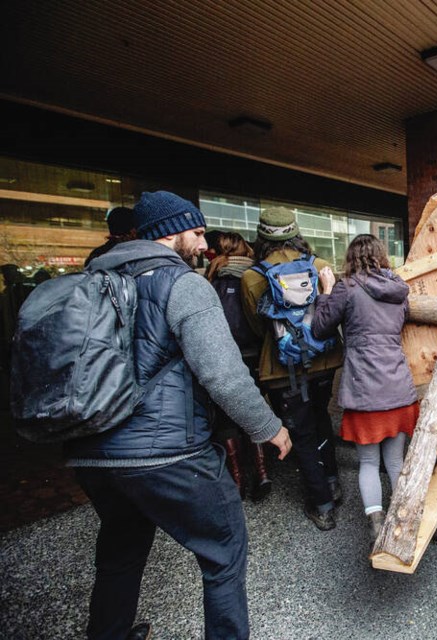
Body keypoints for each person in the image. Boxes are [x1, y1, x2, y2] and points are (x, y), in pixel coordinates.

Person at [66, 191, 292, 640]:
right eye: (197, 230)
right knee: (224, 551)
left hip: (91, 450)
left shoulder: (90, 281)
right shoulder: (183, 284)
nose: (203, 240)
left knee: (119, 551)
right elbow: (224, 375)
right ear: (171, 233)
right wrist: (270, 427)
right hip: (166, 453)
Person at [311, 234, 419, 545]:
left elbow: (320, 327)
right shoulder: (398, 290)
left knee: (369, 463)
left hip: (364, 391)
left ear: (351, 259)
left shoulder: (348, 287)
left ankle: (376, 521)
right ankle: (406, 518)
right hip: (397, 386)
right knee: (396, 462)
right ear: (381, 256)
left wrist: (326, 292)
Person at [241, 206, 344, 531]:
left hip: (283, 370)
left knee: (300, 433)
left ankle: (322, 505)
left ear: (261, 237)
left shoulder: (253, 276)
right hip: (324, 361)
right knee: (321, 418)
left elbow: (257, 327)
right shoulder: (321, 266)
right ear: (296, 232)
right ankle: (333, 481)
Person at [206, 232, 273, 500]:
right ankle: (262, 472)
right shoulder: (256, 276)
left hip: (222, 356)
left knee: (225, 416)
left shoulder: (211, 279)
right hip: (253, 354)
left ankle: (236, 480)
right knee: (252, 407)